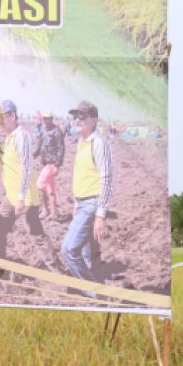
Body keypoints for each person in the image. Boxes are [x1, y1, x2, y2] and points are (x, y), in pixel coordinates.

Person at [0, 100, 57, 273]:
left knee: (35, 233)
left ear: (12, 116)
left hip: (23, 197)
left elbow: (27, 167)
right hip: (12, 195)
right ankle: (0, 266)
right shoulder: (10, 137)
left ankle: (57, 272)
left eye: (1, 118)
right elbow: (9, 161)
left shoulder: (21, 136)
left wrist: (20, 198)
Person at [61, 100, 113, 284]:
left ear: (93, 119)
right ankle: (96, 287)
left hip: (92, 204)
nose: (77, 120)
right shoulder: (81, 142)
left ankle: (91, 294)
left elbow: (106, 180)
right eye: (75, 116)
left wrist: (100, 216)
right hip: (82, 202)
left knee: (68, 249)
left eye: (82, 116)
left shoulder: (98, 143)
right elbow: (83, 175)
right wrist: (76, 203)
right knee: (86, 253)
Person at [34, 109, 65, 220]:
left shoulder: (57, 131)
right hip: (45, 163)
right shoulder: (43, 131)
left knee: (39, 185)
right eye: (45, 118)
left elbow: (61, 148)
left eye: (48, 118)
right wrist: (33, 155)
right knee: (50, 190)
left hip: (52, 164)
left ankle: (45, 210)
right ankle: (53, 214)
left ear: (51, 119)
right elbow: (39, 146)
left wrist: (57, 165)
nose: (46, 120)